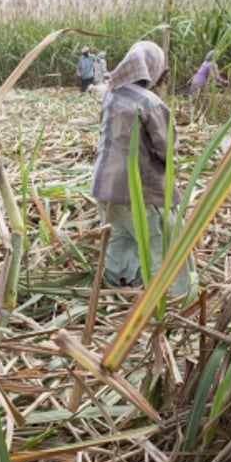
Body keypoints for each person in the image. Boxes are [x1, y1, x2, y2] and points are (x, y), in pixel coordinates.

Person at [91, 40, 188, 292]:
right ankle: (173, 298)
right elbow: (166, 150)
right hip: (140, 191)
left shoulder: (111, 94)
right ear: (152, 68)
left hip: (105, 186)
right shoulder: (150, 103)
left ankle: (117, 289)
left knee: (118, 242)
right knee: (164, 246)